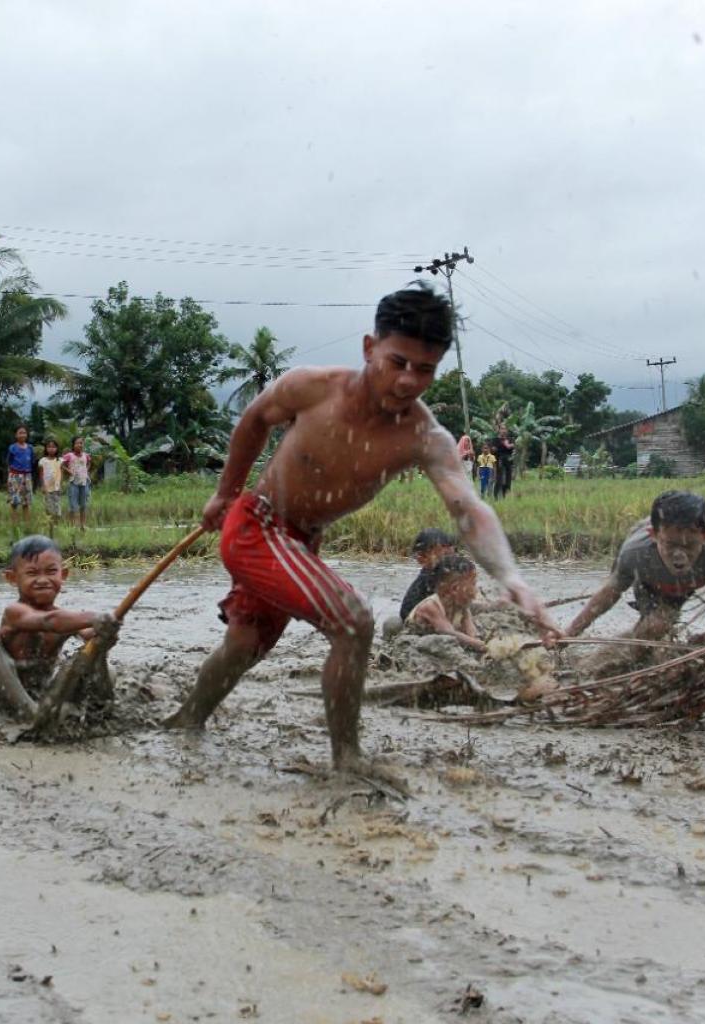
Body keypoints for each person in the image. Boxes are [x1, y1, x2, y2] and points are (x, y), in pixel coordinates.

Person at [162, 283, 558, 776]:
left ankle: (186, 720)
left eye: (425, 369)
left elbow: (468, 508)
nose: (408, 381)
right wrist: (225, 492)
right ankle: (347, 759)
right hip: (258, 525)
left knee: (245, 645)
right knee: (354, 621)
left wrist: (512, 576)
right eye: (398, 362)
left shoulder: (424, 436)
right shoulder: (311, 387)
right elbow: (255, 419)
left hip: (301, 543)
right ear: (370, 348)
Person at [0, 535, 119, 721]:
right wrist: (94, 618)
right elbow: (48, 621)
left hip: (43, 697)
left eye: (51, 571)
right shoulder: (15, 613)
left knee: (105, 665)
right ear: (12, 578)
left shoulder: (66, 619)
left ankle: (93, 713)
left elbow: (89, 635)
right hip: (0, 703)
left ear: (63, 575)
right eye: (32, 573)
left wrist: (105, 636)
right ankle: (32, 714)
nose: (43, 580)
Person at [565, 490, 705, 645]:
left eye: (690, 545)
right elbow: (609, 593)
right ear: (653, 536)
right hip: (648, 581)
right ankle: (615, 657)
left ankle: (648, 651)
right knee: (656, 625)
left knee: (660, 625)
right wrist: (569, 634)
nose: (680, 555)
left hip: (682, 587)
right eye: (671, 545)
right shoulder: (635, 555)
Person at [405, 553, 485, 652]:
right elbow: (448, 633)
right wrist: (481, 645)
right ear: (455, 589)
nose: (476, 590)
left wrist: (478, 641)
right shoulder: (431, 606)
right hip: (414, 644)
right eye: (473, 584)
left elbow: (471, 632)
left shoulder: (462, 607)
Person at [62, 437, 93, 530]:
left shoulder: (86, 455)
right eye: (77, 443)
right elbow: (61, 464)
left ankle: (82, 525)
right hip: (73, 482)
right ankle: (73, 525)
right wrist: (69, 471)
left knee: (83, 505)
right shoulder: (69, 455)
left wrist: (86, 470)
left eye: (81, 443)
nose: (79, 445)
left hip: (84, 482)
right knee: (73, 505)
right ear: (73, 445)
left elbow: (89, 463)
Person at [6, 425, 35, 525]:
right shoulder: (12, 448)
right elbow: (9, 462)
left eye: (24, 433)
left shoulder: (30, 448)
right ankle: (14, 524)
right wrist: (9, 477)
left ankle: (27, 524)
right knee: (14, 502)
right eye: (20, 433)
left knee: (26, 502)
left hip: (27, 476)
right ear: (16, 435)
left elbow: (32, 461)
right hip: (15, 476)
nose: (22, 435)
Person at [38, 438, 64, 529]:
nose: (51, 449)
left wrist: (60, 485)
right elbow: (41, 475)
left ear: (57, 448)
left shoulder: (60, 460)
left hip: (56, 488)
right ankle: (50, 526)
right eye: (49, 447)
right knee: (49, 508)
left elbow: (61, 473)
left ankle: (56, 525)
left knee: (57, 507)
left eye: (53, 447)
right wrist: (43, 486)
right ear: (46, 448)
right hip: (47, 488)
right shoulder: (43, 461)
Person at [492, 425, 515, 500]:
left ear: (507, 430)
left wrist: (508, 445)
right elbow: (493, 450)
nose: (503, 430)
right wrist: (494, 449)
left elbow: (512, 447)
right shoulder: (495, 440)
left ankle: (504, 495)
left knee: (508, 479)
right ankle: (496, 497)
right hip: (499, 460)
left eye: (505, 429)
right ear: (499, 430)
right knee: (499, 479)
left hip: (508, 460)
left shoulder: (510, 439)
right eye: (502, 429)